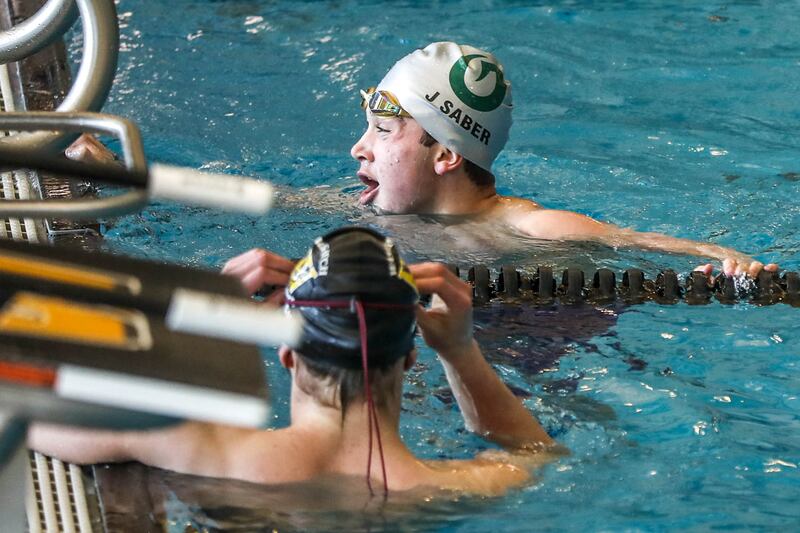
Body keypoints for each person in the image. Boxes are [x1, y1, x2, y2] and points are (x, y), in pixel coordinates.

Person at [29, 227, 560, 496]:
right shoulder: (466, 484)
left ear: (286, 356)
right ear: (410, 361)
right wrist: (463, 350)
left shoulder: (194, 444)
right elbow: (538, 452)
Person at [348, 41, 778, 279]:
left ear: (445, 154)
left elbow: (643, 242)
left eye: (382, 130)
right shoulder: (366, 208)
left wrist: (730, 258)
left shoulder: (532, 227)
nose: (358, 148)